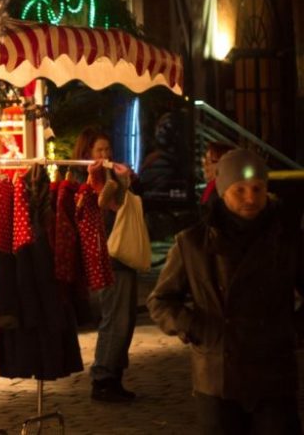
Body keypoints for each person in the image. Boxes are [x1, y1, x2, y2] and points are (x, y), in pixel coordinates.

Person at [147, 149, 304, 434]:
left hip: (274, 373)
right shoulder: (193, 244)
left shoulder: (287, 240)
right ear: (222, 191)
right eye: (239, 190)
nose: (250, 198)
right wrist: (194, 326)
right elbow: (161, 300)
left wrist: (293, 329)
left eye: (257, 189)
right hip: (217, 377)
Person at [72, 127, 139, 403]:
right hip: (107, 255)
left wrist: (125, 182)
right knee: (115, 317)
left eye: (108, 149)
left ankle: (115, 375)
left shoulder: (112, 174)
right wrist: (113, 186)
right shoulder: (83, 179)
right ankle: (102, 377)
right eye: (100, 150)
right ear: (87, 153)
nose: (106, 154)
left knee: (126, 317)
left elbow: (125, 206)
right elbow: (93, 212)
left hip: (123, 250)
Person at [200, 141, 235, 206]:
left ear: (224, 164)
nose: (204, 165)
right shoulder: (212, 187)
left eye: (209, 161)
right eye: (205, 159)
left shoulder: (222, 193)